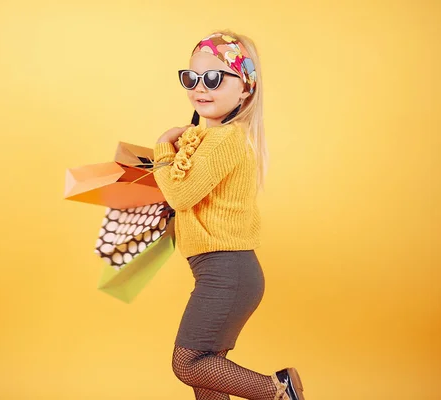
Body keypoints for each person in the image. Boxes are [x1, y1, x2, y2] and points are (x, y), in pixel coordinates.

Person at [152, 31, 306, 400]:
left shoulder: (225, 140)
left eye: (214, 78)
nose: (199, 89)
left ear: (245, 89)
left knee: (188, 363)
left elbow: (180, 194)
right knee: (207, 373)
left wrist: (162, 150)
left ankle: (277, 391)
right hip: (225, 272)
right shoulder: (211, 140)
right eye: (192, 78)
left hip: (227, 272)